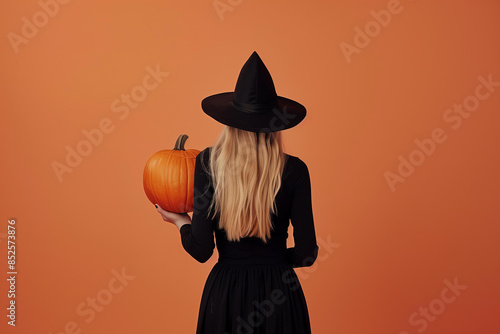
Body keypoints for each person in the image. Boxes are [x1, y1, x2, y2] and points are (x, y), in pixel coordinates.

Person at [155, 51, 319, 334]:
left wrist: (181, 221)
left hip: (226, 295)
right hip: (280, 295)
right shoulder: (296, 171)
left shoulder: (207, 163)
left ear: (230, 120)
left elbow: (202, 250)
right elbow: (306, 255)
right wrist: (275, 262)